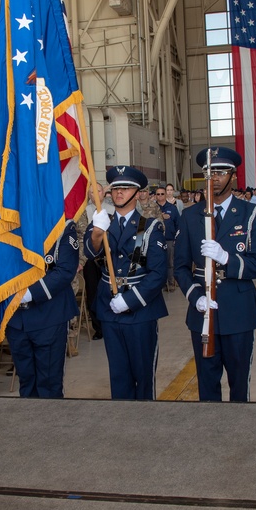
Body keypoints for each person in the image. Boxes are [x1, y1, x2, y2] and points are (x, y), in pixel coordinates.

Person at [175, 147, 256, 402]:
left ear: (233, 176)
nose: (213, 178)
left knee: (239, 385)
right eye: (208, 172)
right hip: (203, 313)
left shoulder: (252, 214)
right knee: (206, 385)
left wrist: (227, 258)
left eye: (219, 172)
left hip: (239, 311)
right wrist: (195, 297)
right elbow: (180, 267)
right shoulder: (190, 216)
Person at [84, 166, 168, 400]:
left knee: (142, 375)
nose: (119, 192)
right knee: (118, 375)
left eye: (126, 187)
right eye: (116, 187)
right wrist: (97, 233)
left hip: (140, 311)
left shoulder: (148, 227)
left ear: (138, 192)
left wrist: (129, 300)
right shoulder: (102, 221)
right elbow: (89, 253)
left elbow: (157, 273)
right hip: (109, 307)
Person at [9, 218, 78, 398]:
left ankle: (49, 425)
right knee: (26, 382)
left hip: (49, 315)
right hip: (16, 318)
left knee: (49, 384)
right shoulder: (7, 222)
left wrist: (30, 293)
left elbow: (64, 270)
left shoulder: (62, 226)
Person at [154, 185, 180, 292]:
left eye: (162, 194)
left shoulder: (172, 208)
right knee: (159, 263)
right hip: (156, 240)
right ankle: (162, 284)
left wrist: (177, 239)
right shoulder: (152, 208)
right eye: (158, 194)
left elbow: (178, 224)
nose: (160, 196)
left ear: (166, 195)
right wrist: (160, 216)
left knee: (170, 263)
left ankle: (171, 282)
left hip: (169, 239)